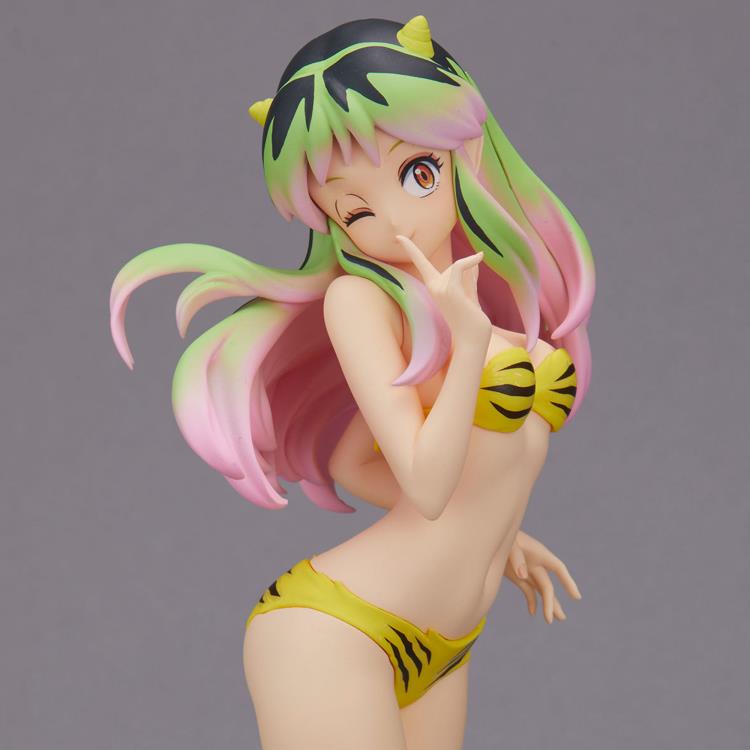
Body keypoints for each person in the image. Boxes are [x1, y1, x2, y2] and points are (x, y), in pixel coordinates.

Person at [109, 15, 594, 750]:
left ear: (463, 151)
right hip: (334, 631)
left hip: (445, 644)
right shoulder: (362, 301)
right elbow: (426, 485)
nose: (395, 222)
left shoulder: (458, 298)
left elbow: (352, 461)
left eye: (417, 173)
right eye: (356, 209)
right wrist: (468, 349)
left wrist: (501, 530)